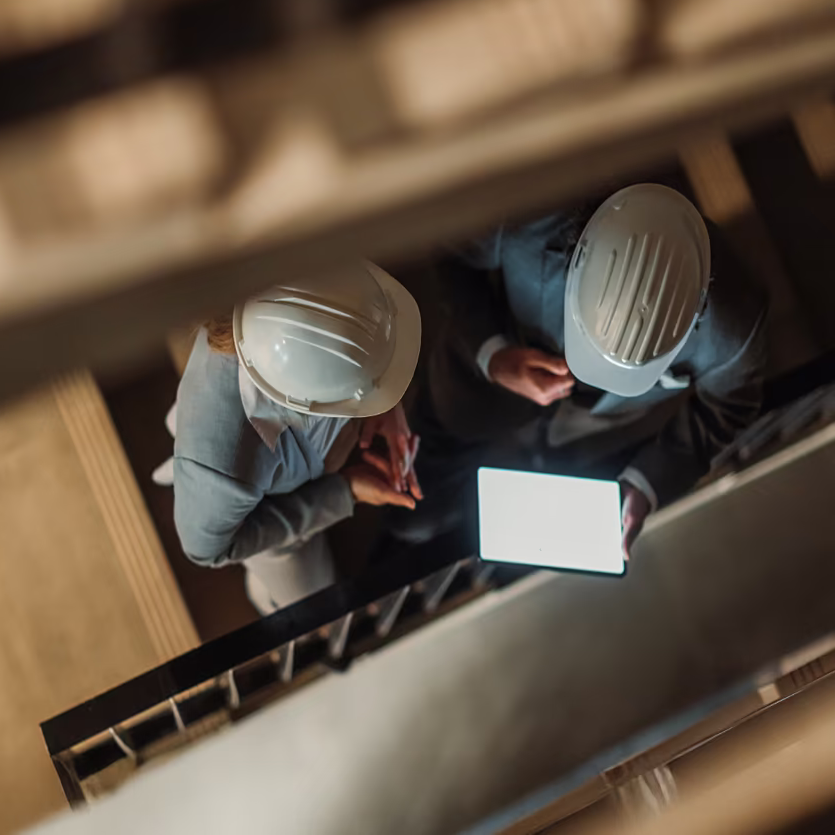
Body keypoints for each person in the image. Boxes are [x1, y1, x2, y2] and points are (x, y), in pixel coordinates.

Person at [404, 183, 767, 554]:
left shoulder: (734, 327)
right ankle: (408, 530)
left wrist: (647, 483)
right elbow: (451, 256)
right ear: (577, 248)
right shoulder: (527, 209)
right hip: (480, 389)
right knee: (418, 503)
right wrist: (493, 355)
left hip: (591, 423)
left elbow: (729, 405)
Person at [169, 261, 424, 614]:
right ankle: (263, 590)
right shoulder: (220, 469)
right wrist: (344, 492)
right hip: (264, 510)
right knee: (319, 608)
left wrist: (383, 401)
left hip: (299, 464)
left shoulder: (320, 264)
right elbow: (207, 550)